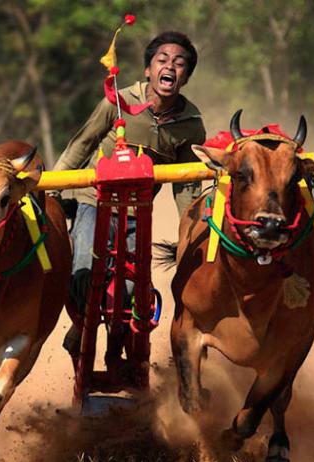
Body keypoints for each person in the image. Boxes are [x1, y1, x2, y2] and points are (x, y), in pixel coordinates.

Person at [52, 32, 206, 360]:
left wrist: (193, 231)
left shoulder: (190, 124)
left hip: (138, 211)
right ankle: (81, 326)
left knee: (136, 288)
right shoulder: (118, 101)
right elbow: (81, 144)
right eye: (162, 61)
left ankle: (119, 339)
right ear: (148, 70)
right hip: (92, 200)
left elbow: (187, 185)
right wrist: (51, 190)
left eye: (180, 64)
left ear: (187, 77)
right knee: (82, 269)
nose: (170, 68)